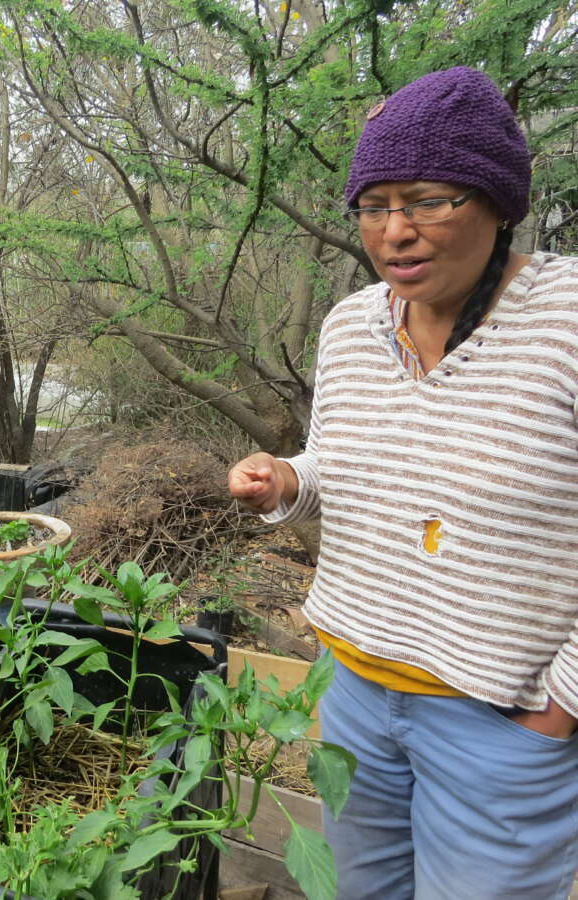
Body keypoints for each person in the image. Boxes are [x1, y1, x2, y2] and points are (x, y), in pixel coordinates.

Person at [227, 66, 578, 899]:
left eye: (426, 200)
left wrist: (560, 708)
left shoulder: (567, 320)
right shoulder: (350, 325)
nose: (396, 232)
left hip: (502, 717)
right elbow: (347, 467)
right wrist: (286, 483)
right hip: (354, 693)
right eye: (374, 205)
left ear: (496, 198)